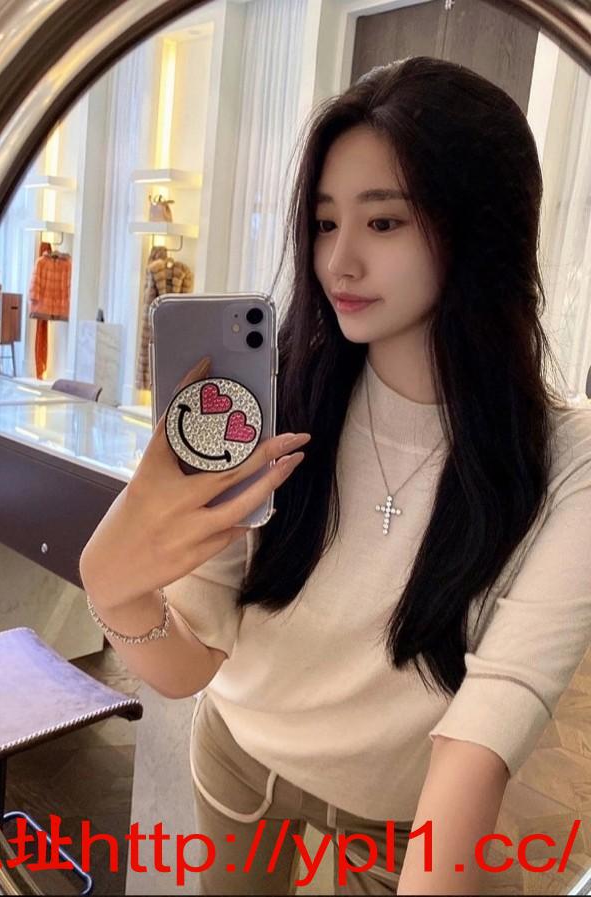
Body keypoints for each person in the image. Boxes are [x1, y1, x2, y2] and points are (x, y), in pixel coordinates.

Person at [79, 56, 591, 895]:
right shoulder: (269, 402)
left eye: (382, 222)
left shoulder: (566, 460)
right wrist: (116, 588)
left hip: (408, 816)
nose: (338, 262)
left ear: (482, 225)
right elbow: (187, 665)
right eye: (323, 223)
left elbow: (484, 736)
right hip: (239, 760)